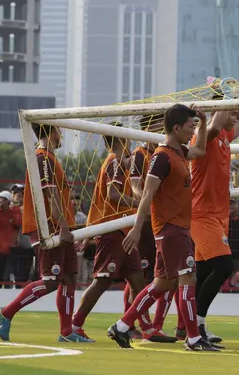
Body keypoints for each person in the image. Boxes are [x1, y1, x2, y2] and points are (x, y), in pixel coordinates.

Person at [107, 104, 219, 351]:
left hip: (177, 228)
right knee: (188, 278)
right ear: (176, 128)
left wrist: (202, 121)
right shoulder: (162, 156)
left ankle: (122, 326)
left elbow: (200, 149)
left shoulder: (179, 152)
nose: (193, 132)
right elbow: (146, 194)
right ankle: (193, 338)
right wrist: (136, 229)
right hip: (170, 228)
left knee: (162, 284)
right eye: (190, 127)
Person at [72, 125, 162, 342]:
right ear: (122, 139)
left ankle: (147, 329)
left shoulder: (119, 162)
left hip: (123, 231)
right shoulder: (114, 161)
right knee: (102, 281)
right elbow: (113, 194)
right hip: (112, 230)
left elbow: (105, 197)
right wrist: (140, 203)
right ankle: (75, 325)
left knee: (138, 279)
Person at [0, 124, 84, 342]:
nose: (61, 135)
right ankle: (6, 312)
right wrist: (63, 226)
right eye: (58, 131)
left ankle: (66, 331)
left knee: (69, 278)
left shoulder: (50, 158)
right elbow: (51, 195)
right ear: (52, 132)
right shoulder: (42, 158)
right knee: (51, 280)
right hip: (48, 228)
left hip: (61, 226)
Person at [190, 87, 239, 345]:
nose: (235, 113)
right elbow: (212, 127)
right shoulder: (205, 136)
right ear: (217, 112)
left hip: (218, 215)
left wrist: (233, 95)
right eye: (230, 109)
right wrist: (225, 99)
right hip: (202, 214)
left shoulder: (226, 135)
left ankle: (194, 328)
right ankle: (195, 327)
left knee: (203, 273)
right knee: (224, 266)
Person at [129, 114, 179, 342]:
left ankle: (146, 324)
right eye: (159, 127)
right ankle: (137, 324)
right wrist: (149, 204)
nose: (163, 131)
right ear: (149, 128)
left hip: (160, 221)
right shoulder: (140, 154)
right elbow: (136, 188)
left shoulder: (164, 153)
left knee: (162, 276)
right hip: (147, 223)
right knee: (142, 276)